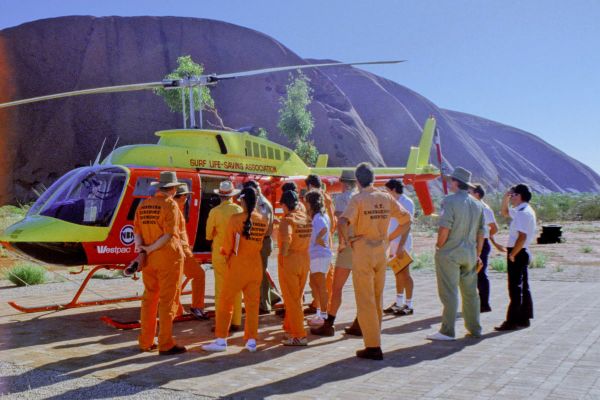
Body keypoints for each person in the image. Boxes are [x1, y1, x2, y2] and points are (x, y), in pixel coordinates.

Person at [339, 163, 411, 360]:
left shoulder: (358, 199)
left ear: (358, 181)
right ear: (373, 178)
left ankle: (373, 346)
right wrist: (390, 236)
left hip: (363, 249)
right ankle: (375, 339)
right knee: (377, 295)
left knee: (365, 298)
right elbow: (407, 220)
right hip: (381, 249)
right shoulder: (386, 197)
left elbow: (343, 221)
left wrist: (347, 242)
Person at [203, 187, 268, 352]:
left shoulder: (235, 219)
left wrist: (224, 255)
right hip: (256, 266)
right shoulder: (262, 219)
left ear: (243, 201)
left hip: (238, 266)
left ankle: (221, 340)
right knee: (252, 305)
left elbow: (227, 246)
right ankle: (251, 340)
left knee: (225, 301)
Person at [427, 167, 484, 341]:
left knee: (449, 292)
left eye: (451, 180)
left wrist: (439, 246)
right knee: (470, 293)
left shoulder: (450, 201)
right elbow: (481, 232)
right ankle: (475, 328)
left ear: (456, 182)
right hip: (470, 253)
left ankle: (447, 331)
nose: (450, 183)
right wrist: (478, 254)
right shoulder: (478, 204)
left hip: (450, 252)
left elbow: (445, 227)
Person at [133, 171, 187, 355]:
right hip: (168, 257)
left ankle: (145, 341)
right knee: (167, 301)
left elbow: (137, 232)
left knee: (149, 299)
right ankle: (166, 343)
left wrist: (143, 249)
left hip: (149, 260)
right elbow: (169, 234)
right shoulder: (170, 204)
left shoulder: (144, 204)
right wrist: (151, 248)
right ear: (172, 189)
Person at [311, 170, 359, 337]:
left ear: (344, 183)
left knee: (337, 287)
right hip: (363, 246)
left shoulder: (342, 198)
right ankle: (360, 321)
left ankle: (329, 324)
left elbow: (340, 221)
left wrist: (343, 242)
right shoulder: (361, 197)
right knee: (362, 288)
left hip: (348, 245)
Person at [495, 184, 537, 331]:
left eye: (512, 195)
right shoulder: (523, 210)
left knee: (515, 287)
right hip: (521, 251)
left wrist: (512, 254)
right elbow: (505, 212)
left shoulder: (523, 213)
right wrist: (505, 198)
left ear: (519, 196)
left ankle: (512, 320)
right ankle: (524, 318)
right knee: (523, 286)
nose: (511, 197)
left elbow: (522, 237)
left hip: (517, 251)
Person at [206, 180, 243, 331]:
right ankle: (236, 321)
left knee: (221, 289)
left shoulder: (215, 212)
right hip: (237, 254)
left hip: (220, 254)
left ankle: (222, 323)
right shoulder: (239, 210)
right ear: (232, 195)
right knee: (236, 288)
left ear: (220, 196)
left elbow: (208, 235)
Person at [278, 190, 312, 346]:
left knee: (292, 300)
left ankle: (299, 335)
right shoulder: (305, 217)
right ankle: (291, 328)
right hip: (304, 258)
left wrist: (284, 253)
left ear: (285, 205)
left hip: (290, 260)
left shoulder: (287, 221)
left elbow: (286, 241)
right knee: (297, 297)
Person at [243, 181, 281, 314]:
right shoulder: (262, 202)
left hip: (261, 241)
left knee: (261, 273)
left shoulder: (261, 204)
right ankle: (272, 296)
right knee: (260, 272)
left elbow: (262, 224)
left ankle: (264, 305)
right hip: (262, 241)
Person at [174, 184, 208, 320]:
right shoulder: (175, 209)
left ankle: (176, 309)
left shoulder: (172, 208)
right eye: (187, 197)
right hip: (180, 250)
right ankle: (197, 307)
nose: (187, 199)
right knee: (199, 275)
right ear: (182, 197)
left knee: (173, 281)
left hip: (174, 250)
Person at [469, 183, 503, 313]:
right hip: (474, 243)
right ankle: (476, 302)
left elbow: (494, 227)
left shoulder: (484, 208)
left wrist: (486, 237)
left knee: (480, 274)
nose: (468, 194)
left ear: (477, 194)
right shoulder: (474, 207)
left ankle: (484, 304)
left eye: (470, 191)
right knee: (473, 274)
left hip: (481, 244)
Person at [383, 179, 415, 316]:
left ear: (394, 189)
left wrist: (401, 246)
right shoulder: (392, 202)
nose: (386, 193)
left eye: (387, 190)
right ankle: (398, 302)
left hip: (403, 243)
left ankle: (409, 304)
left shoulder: (407, 202)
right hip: (393, 243)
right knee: (397, 272)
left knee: (405, 273)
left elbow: (407, 225)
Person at [304, 174, 336, 314]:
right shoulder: (327, 198)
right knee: (318, 281)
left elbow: (323, 226)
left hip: (320, 248)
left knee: (320, 282)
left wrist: (318, 238)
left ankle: (322, 309)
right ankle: (320, 307)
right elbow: (332, 223)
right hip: (325, 244)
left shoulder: (316, 203)